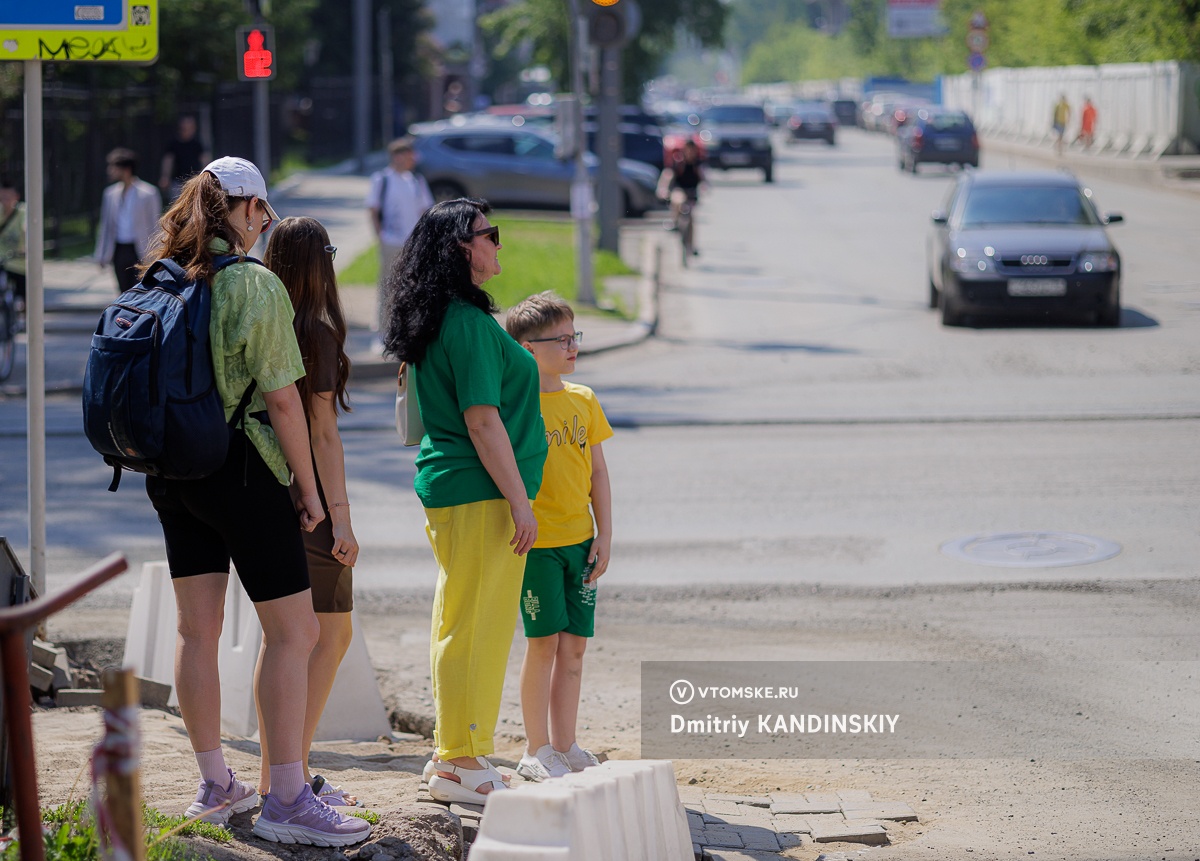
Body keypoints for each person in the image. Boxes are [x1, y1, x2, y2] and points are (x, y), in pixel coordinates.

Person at [142, 156, 370, 847]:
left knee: (195, 631)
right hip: (242, 472)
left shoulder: (166, 277)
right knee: (295, 633)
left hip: (172, 470)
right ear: (241, 208)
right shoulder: (253, 284)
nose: (265, 223)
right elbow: (282, 400)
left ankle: (216, 782)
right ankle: (287, 797)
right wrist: (308, 489)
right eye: (262, 210)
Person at [382, 198, 547, 805]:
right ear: (460, 247)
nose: (499, 244)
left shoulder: (445, 316)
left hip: (462, 490)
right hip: (481, 493)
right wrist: (520, 502)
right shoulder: (468, 325)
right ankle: (459, 757)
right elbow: (483, 422)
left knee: (462, 620)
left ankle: (457, 754)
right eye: (490, 235)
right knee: (476, 625)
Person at [257, 216, 361, 808]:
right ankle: (290, 778)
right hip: (312, 499)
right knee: (330, 633)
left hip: (267, 488)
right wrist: (340, 516)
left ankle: (282, 777)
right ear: (319, 262)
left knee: (284, 639)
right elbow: (323, 434)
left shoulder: (266, 321)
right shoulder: (315, 333)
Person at [503, 291, 612, 782]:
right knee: (543, 644)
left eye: (575, 337)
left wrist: (604, 534)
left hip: (580, 543)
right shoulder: (515, 406)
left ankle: (565, 745)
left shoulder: (584, 400)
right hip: (537, 548)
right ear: (528, 349)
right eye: (562, 339)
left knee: (575, 647)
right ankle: (536, 748)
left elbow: (598, 476)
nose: (573, 347)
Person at [365, 137, 433, 339]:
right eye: (409, 155)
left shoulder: (416, 181)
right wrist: (381, 236)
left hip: (412, 244)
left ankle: (406, 331)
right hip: (391, 241)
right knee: (387, 285)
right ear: (398, 156)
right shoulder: (382, 179)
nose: (413, 159)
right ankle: (383, 332)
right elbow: (373, 209)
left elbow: (425, 210)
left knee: (413, 287)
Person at [95, 148, 163, 294]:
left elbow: (155, 225)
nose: (110, 171)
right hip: (119, 248)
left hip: (139, 249)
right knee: (122, 292)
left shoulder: (148, 193)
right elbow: (105, 225)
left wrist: (157, 255)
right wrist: (101, 254)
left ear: (126, 169)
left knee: (139, 292)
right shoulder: (110, 194)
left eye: (114, 167)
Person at [658, 139, 705, 249]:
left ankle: (690, 246)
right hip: (678, 189)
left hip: (691, 192)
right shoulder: (678, 161)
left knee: (691, 219)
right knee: (679, 200)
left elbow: (703, 178)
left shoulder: (697, 164)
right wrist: (663, 189)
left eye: (692, 150)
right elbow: (668, 175)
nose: (690, 153)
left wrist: (704, 186)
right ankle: (674, 221)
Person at [159, 116, 211, 202]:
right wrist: (165, 177)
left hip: (194, 181)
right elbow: (168, 161)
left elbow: (204, 161)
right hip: (177, 182)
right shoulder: (174, 144)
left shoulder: (197, 144)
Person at [0, 178, 25, 312]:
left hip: (19, 263)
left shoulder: (23, 211)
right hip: (2, 262)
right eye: (2, 196)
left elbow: (26, 228)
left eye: (8, 197)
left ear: (16, 197)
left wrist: (25, 246)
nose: (5, 200)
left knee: (24, 294)